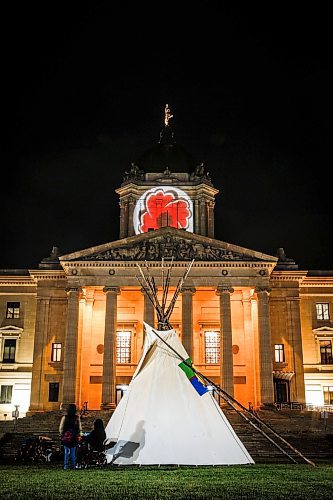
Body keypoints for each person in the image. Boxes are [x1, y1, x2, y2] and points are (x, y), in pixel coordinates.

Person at [59, 403, 82, 470]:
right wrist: (79, 434)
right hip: (74, 436)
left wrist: (61, 434)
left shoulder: (65, 417)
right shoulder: (77, 418)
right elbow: (79, 427)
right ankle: (73, 465)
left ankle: (66, 465)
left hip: (66, 436)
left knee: (66, 452)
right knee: (73, 452)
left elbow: (61, 427)